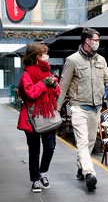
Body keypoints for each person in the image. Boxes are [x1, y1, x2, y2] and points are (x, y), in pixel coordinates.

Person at [57, 27, 108, 192]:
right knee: (81, 142)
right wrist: (56, 109)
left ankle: (81, 167)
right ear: (87, 41)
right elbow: (63, 86)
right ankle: (90, 173)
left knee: (90, 142)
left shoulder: (100, 60)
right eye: (96, 40)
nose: (97, 43)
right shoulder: (72, 60)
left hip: (96, 108)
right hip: (79, 107)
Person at [16, 43, 60, 193]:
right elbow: (30, 93)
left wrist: (54, 85)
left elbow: (57, 91)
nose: (46, 56)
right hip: (31, 117)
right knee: (34, 150)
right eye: (43, 54)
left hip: (48, 114)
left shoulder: (47, 71)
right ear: (36, 56)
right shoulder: (27, 74)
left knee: (50, 146)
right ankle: (35, 179)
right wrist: (43, 83)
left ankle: (42, 172)